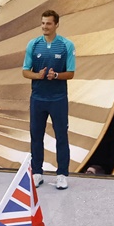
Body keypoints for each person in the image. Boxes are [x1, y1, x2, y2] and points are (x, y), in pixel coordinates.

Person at [22, 10, 76, 189]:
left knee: (61, 136)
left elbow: (71, 73)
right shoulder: (33, 44)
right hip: (38, 98)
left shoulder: (66, 45)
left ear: (56, 25)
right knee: (36, 136)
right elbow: (25, 71)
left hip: (58, 99)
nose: (45, 27)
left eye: (49, 24)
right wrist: (38, 76)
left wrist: (57, 75)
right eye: (43, 23)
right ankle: (37, 172)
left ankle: (62, 174)